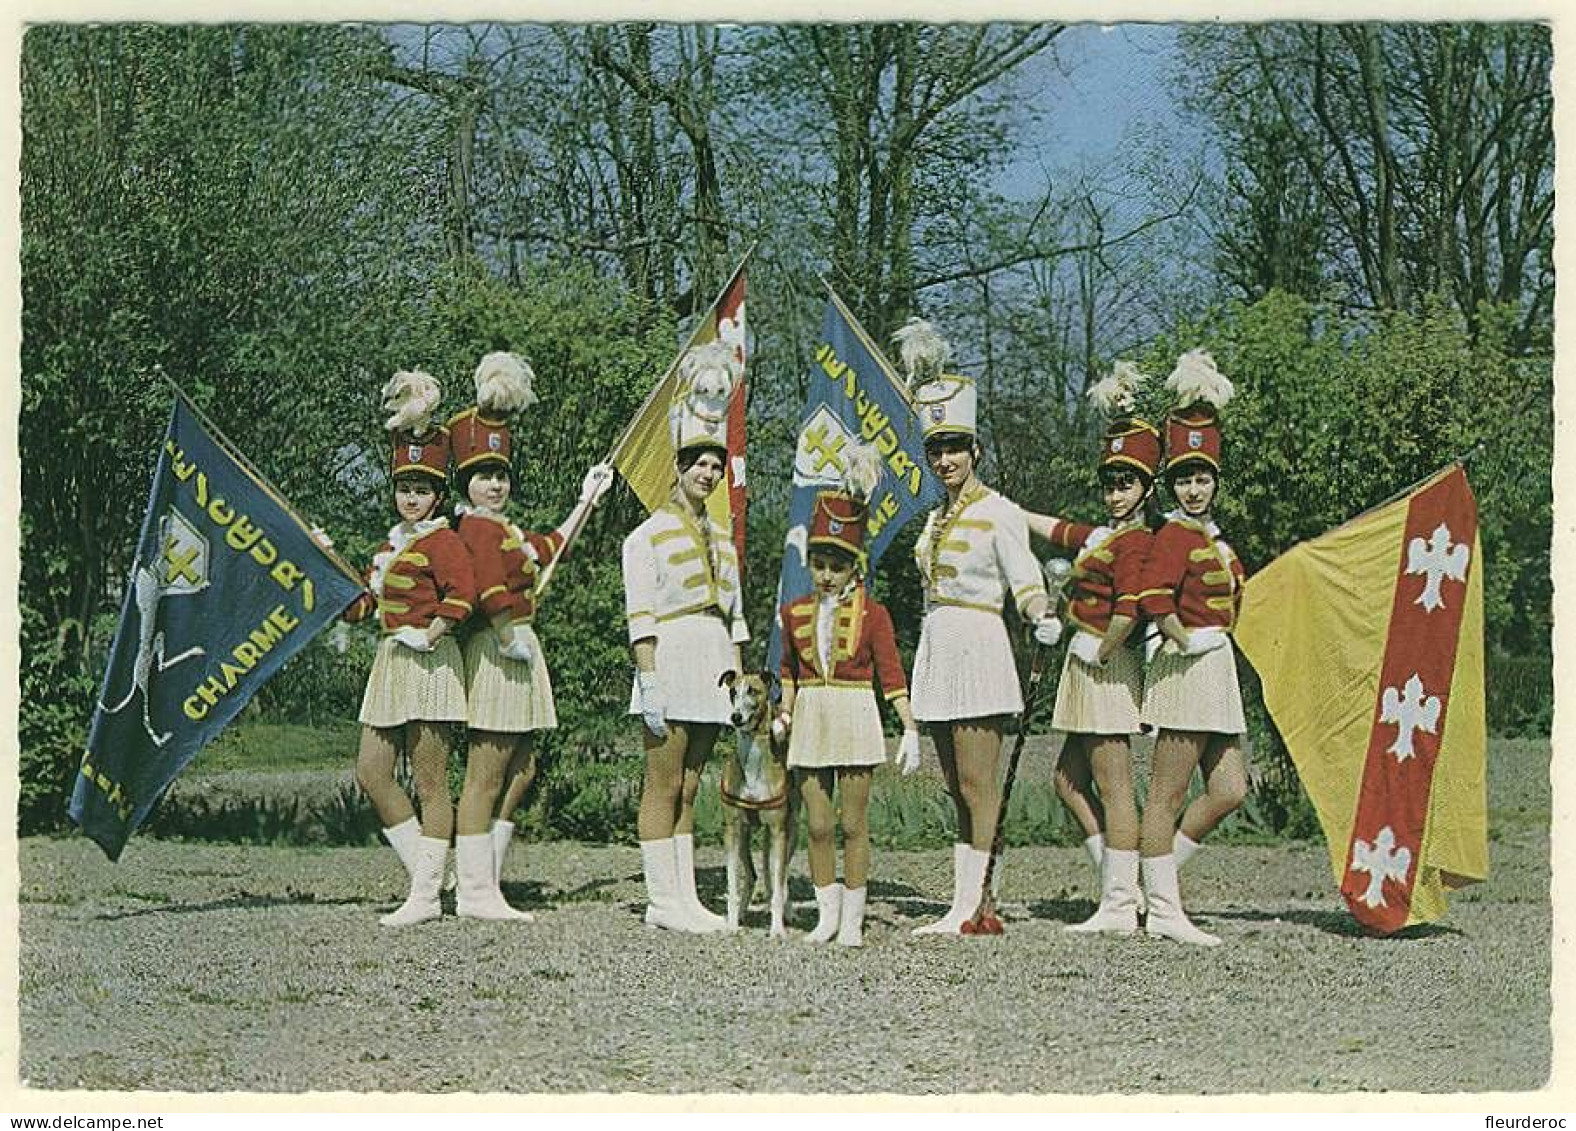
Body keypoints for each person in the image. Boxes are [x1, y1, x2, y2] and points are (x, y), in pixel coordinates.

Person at [896, 319, 1062, 937]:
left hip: (981, 645)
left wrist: (1040, 614)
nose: (945, 459)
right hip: (938, 646)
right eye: (937, 449)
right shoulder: (934, 516)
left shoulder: (999, 510)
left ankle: (976, 901)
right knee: (954, 785)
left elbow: (1024, 575)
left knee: (976, 779)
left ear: (976, 451)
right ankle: (962, 901)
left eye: (956, 448)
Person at [448, 351, 615, 921]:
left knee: (522, 768)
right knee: (486, 770)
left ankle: (484, 875)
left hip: (521, 645)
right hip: (499, 648)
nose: (493, 484)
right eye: (482, 476)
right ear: (465, 482)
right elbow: (488, 585)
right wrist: (503, 632)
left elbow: (549, 549)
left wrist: (586, 501)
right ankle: (473, 892)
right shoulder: (470, 527)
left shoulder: (507, 529)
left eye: (499, 475)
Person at [1021, 362, 1162, 935]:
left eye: (1126, 482)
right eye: (1109, 481)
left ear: (1146, 488)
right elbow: (1054, 528)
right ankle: (1116, 879)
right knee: (1065, 779)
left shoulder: (1138, 541)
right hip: (1085, 663)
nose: (1115, 492)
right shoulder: (1106, 535)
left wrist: (1098, 652)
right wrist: (999, 510)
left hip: (1104, 664)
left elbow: (1129, 611)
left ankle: (1121, 903)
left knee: (1114, 783)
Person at [339, 370, 476, 927]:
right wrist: (338, 584)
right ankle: (433, 872)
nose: (411, 498)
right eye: (404, 488)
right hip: (391, 661)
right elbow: (364, 608)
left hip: (429, 661)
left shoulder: (443, 540)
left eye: (421, 489)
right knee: (371, 772)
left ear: (438, 493)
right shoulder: (389, 546)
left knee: (429, 781)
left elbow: (463, 597)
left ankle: (423, 897)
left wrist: (433, 635)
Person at [622, 341, 749, 933]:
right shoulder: (643, 537)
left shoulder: (724, 539)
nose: (707, 471)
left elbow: (738, 619)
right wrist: (648, 680)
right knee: (664, 779)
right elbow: (641, 615)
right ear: (675, 465)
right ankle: (659, 899)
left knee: (693, 784)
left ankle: (686, 897)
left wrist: (744, 683)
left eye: (715, 463)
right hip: (669, 659)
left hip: (714, 661)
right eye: (697, 460)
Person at [774, 448, 920, 948]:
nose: (827, 574)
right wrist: (785, 711)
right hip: (812, 714)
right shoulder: (792, 613)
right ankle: (826, 915)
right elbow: (788, 671)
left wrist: (910, 726)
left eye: (837, 564)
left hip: (856, 710)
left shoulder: (874, 614)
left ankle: (854, 920)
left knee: (853, 823)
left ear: (854, 566)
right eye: (819, 563)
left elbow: (892, 672)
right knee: (816, 823)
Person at [1135, 350, 1247, 947]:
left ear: (1215, 481)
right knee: (1167, 793)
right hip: (1186, 668)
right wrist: (1182, 645)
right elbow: (1155, 597)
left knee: (1230, 789)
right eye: (1184, 478)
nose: (1195, 488)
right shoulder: (1175, 533)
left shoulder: (1216, 540)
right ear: (1172, 484)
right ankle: (1166, 912)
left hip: (1217, 667)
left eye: (1203, 477)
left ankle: (1154, 883)